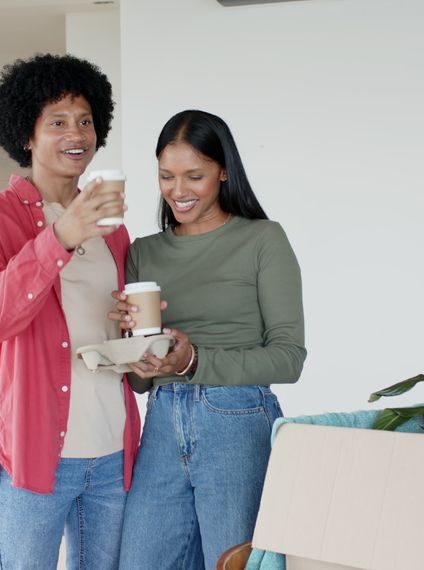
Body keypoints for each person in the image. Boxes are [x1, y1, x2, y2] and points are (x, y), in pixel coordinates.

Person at [0, 53, 139, 570]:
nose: (75, 132)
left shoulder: (116, 229)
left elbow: (108, 326)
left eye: (84, 120)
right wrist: (59, 237)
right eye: (56, 121)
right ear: (26, 135)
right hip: (32, 456)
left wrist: (138, 329)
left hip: (111, 453)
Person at [110, 110, 307, 569]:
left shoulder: (263, 240)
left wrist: (193, 360)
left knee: (231, 561)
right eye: (166, 176)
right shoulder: (143, 251)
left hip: (235, 420)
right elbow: (140, 381)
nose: (179, 191)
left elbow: (289, 358)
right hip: (161, 422)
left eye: (194, 176)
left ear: (223, 171)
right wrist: (136, 361)